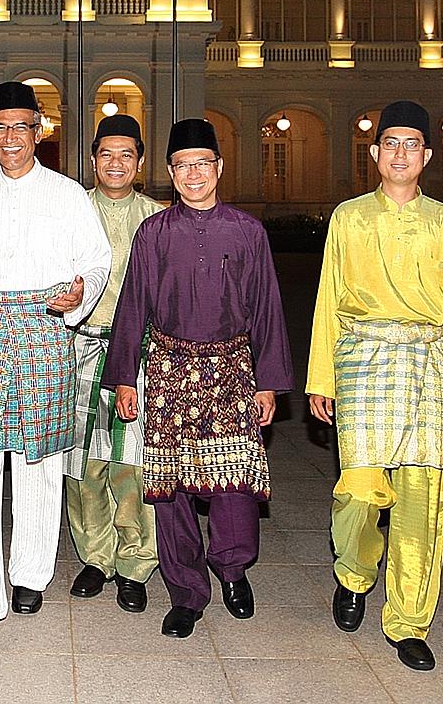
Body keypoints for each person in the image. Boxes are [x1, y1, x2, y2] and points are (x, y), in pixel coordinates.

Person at [305, 100, 443, 672]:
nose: (400, 153)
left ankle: (408, 621)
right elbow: (328, 300)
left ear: (427, 156)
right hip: (363, 360)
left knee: (422, 503)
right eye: (391, 144)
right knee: (357, 493)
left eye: (412, 144)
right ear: (376, 153)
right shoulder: (349, 217)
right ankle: (354, 575)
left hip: (427, 365)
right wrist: (321, 378)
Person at [105, 118, 292, 638]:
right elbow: (133, 305)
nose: (193, 174)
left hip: (232, 369)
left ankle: (233, 569)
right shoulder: (154, 232)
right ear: (169, 172)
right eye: (183, 165)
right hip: (168, 370)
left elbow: (267, 308)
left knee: (235, 483)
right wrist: (124, 376)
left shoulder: (248, 231)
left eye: (202, 164)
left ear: (219, 169)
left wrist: (267, 382)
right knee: (173, 490)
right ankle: (186, 591)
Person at [0, 80, 112, 648]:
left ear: (40, 131)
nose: (10, 138)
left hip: (43, 332)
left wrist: (78, 295)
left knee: (39, 466)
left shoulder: (68, 195)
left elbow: (96, 258)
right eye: (0, 129)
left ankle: (31, 573)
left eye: (22, 127)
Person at [63, 115, 162, 614]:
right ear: (93, 159)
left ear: (140, 162)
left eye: (126, 155)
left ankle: (135, 562)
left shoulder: (158, 216)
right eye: (106, 154)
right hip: (77, 348)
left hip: (139, 356)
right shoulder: (71, 209)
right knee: (83, 465)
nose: (116, 163)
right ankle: (94, 558)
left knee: (133, 465)